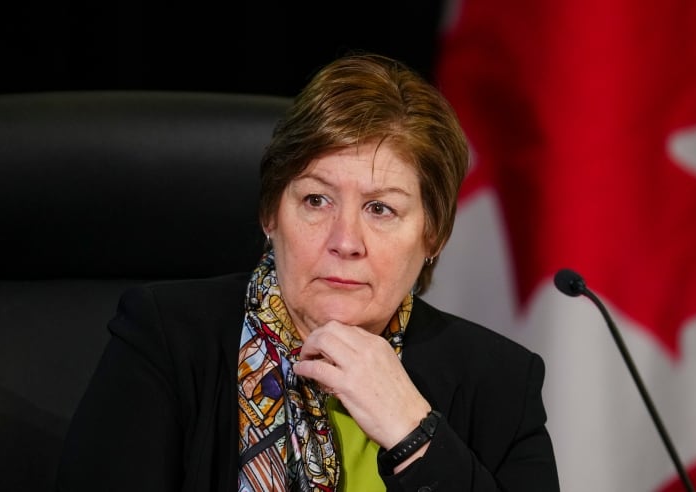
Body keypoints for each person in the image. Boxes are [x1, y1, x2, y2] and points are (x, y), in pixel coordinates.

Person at [56, 52, 560, 491]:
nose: (345, 242)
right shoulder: (166, 340)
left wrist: (414, 432)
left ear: (435, 236)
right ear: (271, 214)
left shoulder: (500, 384)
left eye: (380, 209)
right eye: (316, 200)